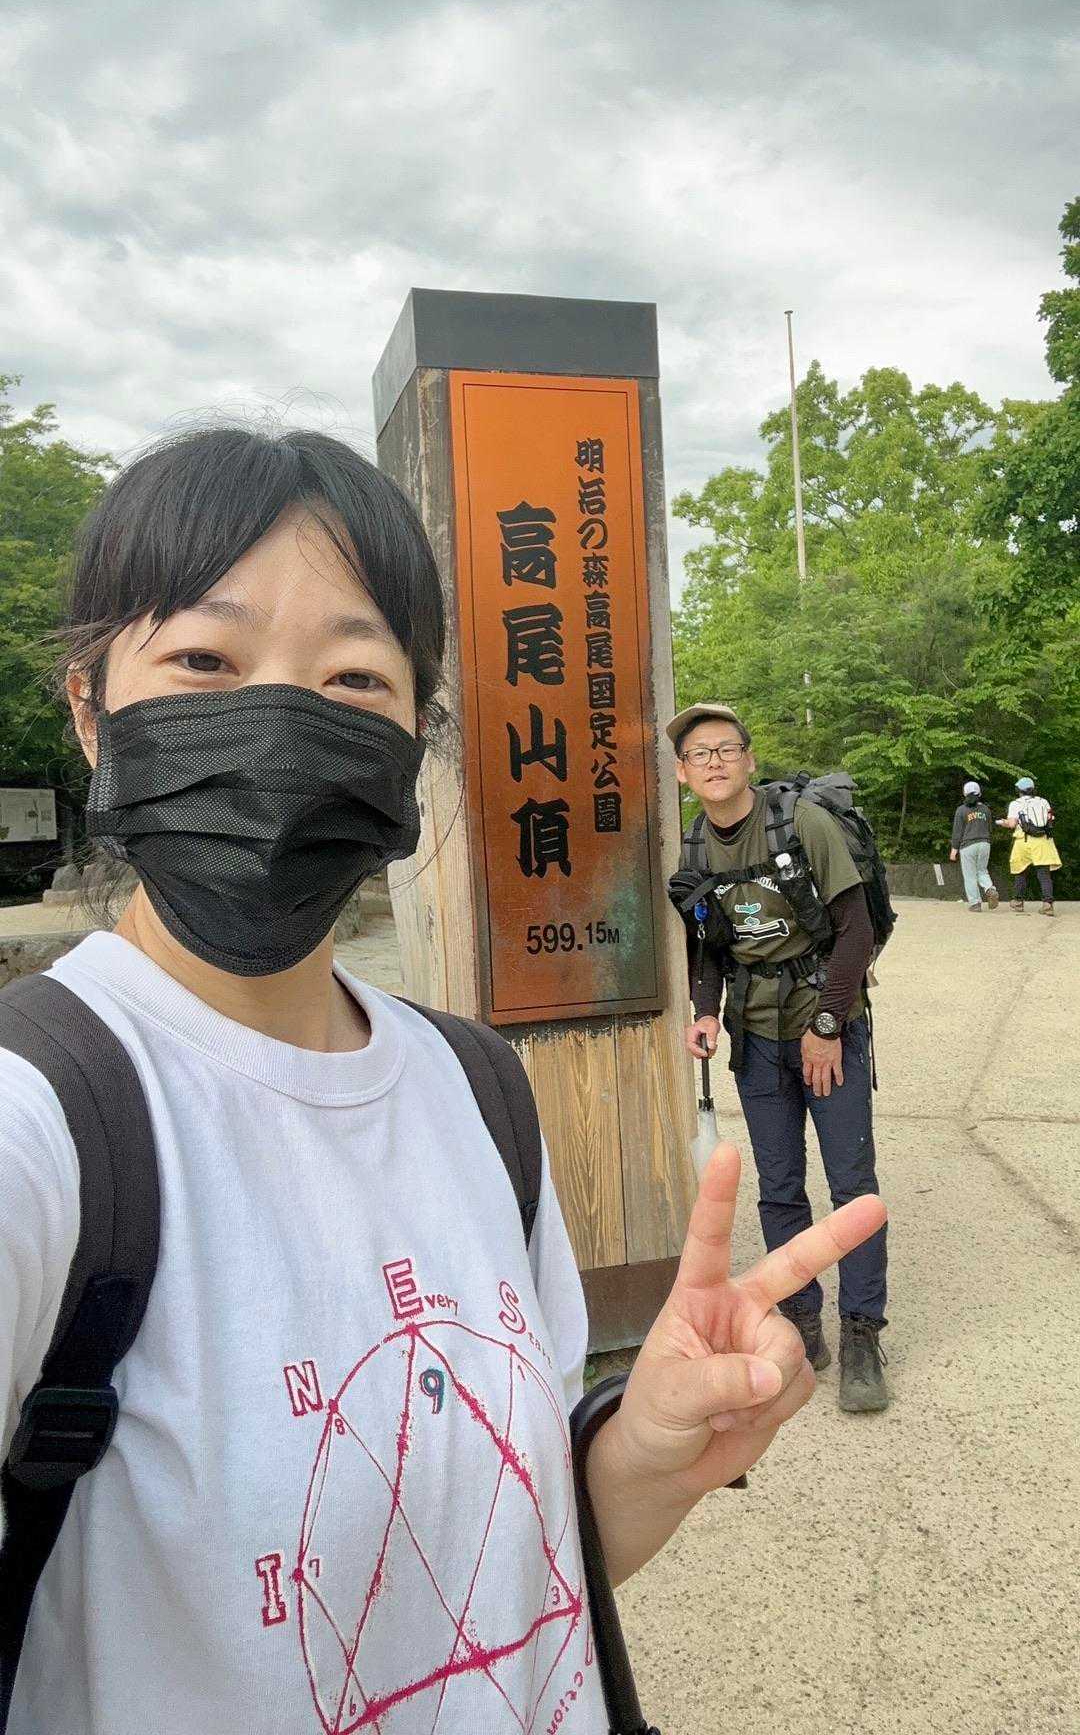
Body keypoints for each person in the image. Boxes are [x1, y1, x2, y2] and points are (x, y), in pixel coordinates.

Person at [0, 428, 885, 1735]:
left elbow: (519, 1580)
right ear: (90, 710)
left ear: (414, 739)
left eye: (353, 677)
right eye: (205, 660)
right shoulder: (35, 1124)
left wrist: (649, 1455)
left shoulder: (474, 1089)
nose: (282, 725)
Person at [668, 701, 890, 1415]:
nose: (714, 762)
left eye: (725, 749)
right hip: (756, 1038)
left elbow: (856, 931)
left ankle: (862, 1334)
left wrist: (827, 1024)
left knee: (852, 1185)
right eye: (699, 754)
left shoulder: (803, 823)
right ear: (682, 773)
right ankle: (800, 1321)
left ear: (749, 760)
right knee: (780, 1186)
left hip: (825, 1025)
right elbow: (708, 942)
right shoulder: (695, 847)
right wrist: (705, 1010)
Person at [998, 775, 1062, 915]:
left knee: (1020, 871)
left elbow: (1012, 824)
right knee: (1044, 874)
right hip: (1043, 841)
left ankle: (1018, 902)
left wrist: (1003, 823)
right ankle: (1048, 904)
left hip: (1024, 841)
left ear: (1019, 790)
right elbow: (1050, 818)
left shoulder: (1016, 804)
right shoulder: (1043, 801)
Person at [949, 781, 999, 911]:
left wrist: (954, 849)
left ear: (964, 794)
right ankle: (990, 889)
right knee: (982, 870)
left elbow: (957, 831)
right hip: (985, 843)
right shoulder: (985, 809)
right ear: (979, 794)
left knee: (970, 875)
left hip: (968, 845)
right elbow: (990, 828)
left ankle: (975, 903)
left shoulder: (961, 810)